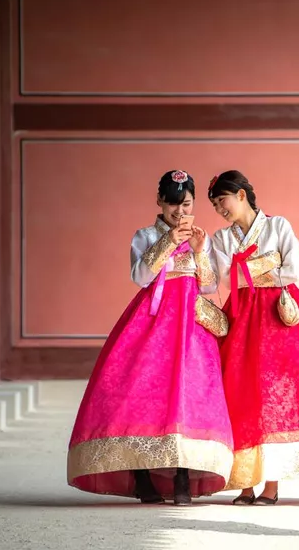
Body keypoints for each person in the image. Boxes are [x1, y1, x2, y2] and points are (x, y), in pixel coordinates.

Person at [67, 170, 234, 506]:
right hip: (152, 322)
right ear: (159, 202)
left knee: (190, 396)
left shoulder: (203, 237)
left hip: (191, 326)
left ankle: (183, 476)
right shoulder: (144, 235)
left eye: (186, 204)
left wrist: (200, 251)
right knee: (141, 393)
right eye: (173, 204)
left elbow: (210, 286)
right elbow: (141, 275)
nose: (180, 211)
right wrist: (170, 240)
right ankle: (142, 475)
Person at [207, 170, 299, 506]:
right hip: (242, 316)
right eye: (216, 204)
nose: (220, 208)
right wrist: (266, 263)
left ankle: (271, 486)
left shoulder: (278, 227)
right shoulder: (220, 238)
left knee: (274, 398)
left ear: (242, 194)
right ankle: (244, 484)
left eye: (223, 200)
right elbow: (218, 277)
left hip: (277, 318)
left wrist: (245, 269)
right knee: (240, 394)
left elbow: (292, 270)